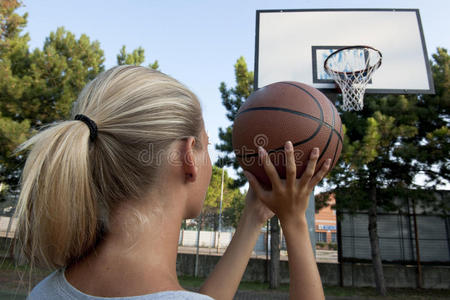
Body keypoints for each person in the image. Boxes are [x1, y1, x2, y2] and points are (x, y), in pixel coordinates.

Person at [14, 65, 328, 299]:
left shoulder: (45, 291)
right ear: (187, 158)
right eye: (205, 145)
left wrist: (252, 219)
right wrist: (295, 223)